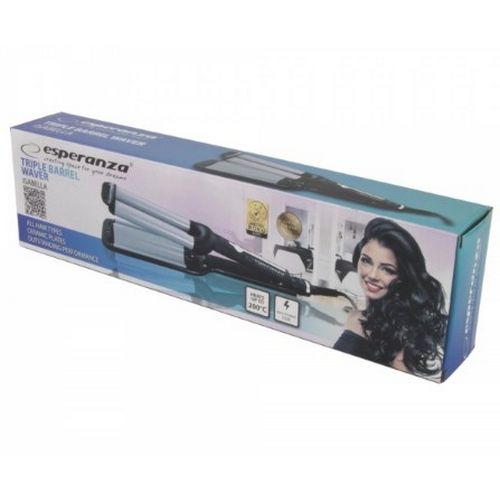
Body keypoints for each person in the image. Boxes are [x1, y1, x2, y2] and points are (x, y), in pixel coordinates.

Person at [333, 218, 447, 378]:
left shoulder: (402, 337)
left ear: (403, 277)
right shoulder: (355, 317)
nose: (372, 275)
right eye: (366, 261)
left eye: (387, 270)